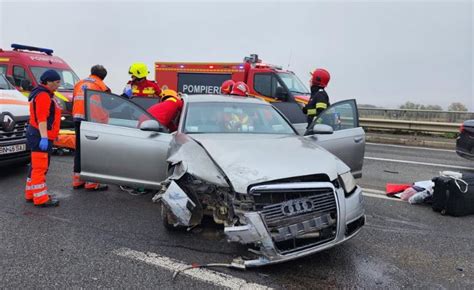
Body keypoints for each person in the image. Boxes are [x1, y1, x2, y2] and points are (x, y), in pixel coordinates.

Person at [24, 70, 62, 207]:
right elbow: (42, 119)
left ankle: (31, 194)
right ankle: (41, 199)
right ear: (48, 81)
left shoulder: (41, 93)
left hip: (37, 134)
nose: (58, 85)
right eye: (57, 82)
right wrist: (45, 138)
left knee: (35, 167)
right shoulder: (44, 96)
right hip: (40, 135)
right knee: (40, 168)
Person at [71, 65, 109, 191]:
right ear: (103, 77)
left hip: (77, 119)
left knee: (79, 149)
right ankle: (91, 183)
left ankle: (77, 180)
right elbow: (108, 104)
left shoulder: (79, 83)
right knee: (93, 151)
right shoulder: (101, 86)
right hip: (92, 121)